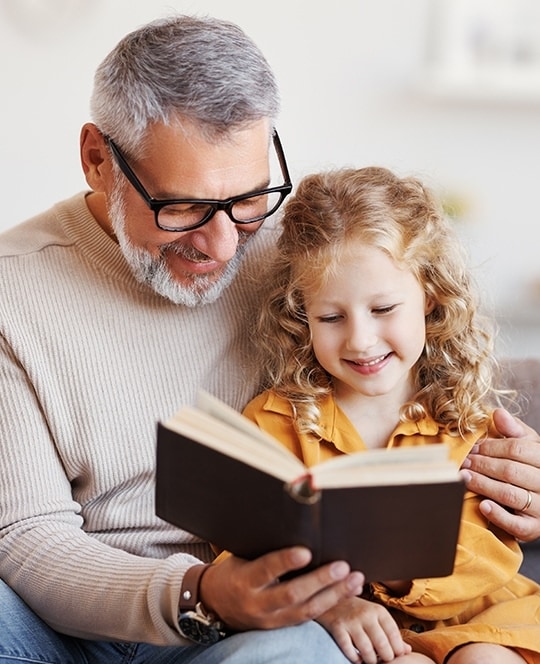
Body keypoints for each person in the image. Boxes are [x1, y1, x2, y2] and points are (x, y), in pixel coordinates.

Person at [0, 12, 537, 664]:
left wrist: (518, 479)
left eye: (250, 200)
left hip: (277, 622)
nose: (224, 244)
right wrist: (201, 594)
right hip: (85, 620)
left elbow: (425, 374)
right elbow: (27, 537)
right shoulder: (15, 293)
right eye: (183, 207)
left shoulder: (312, 256)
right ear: (98, 161)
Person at [240, 166, 540, 664]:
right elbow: (242, 549)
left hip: (480, 619)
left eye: (383, 309)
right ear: (301, 318)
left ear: (430, 298)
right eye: (331, 318)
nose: (359, 339)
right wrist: (335, 601)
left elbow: (490, 554)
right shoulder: (275, 422)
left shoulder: (464, 416)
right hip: (363, 632)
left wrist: (397, 570)